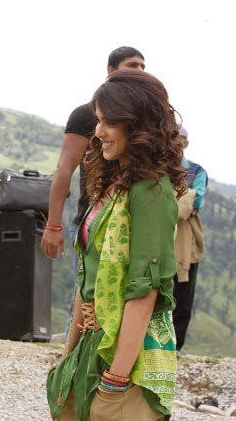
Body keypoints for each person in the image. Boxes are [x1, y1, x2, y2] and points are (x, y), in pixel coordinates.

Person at [46, 70, 187, 421]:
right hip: (92, 344)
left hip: (125, 359)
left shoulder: (151, 192)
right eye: (98, 121)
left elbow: (145, 291)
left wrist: (116, 379)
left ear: (138, 126)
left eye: (109, 123)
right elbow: (87, 277)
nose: (98, 132)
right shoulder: (114, 185)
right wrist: (69, 355)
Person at [40, 46, 145, 336]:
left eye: (142, 66)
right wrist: (53, 224)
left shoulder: (144, 115)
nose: (139, 71)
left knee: (131, 294)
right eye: (132, 65)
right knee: (87, 296)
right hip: (93, 220)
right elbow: (64, 169)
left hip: (135, 220)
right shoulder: (86, 115)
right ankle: (72, 359)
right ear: (111, 71)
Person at [172, 128, 208, 353]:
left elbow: (197, 200)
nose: (176, 142)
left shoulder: (197, 171)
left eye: (181, 139)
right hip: (161, 237)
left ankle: (175, 346)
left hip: (187, 241)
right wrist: (185, 195)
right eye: (172, 137)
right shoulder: (158, 168)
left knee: (183, 294)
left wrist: (173, 200)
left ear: (186, 143)